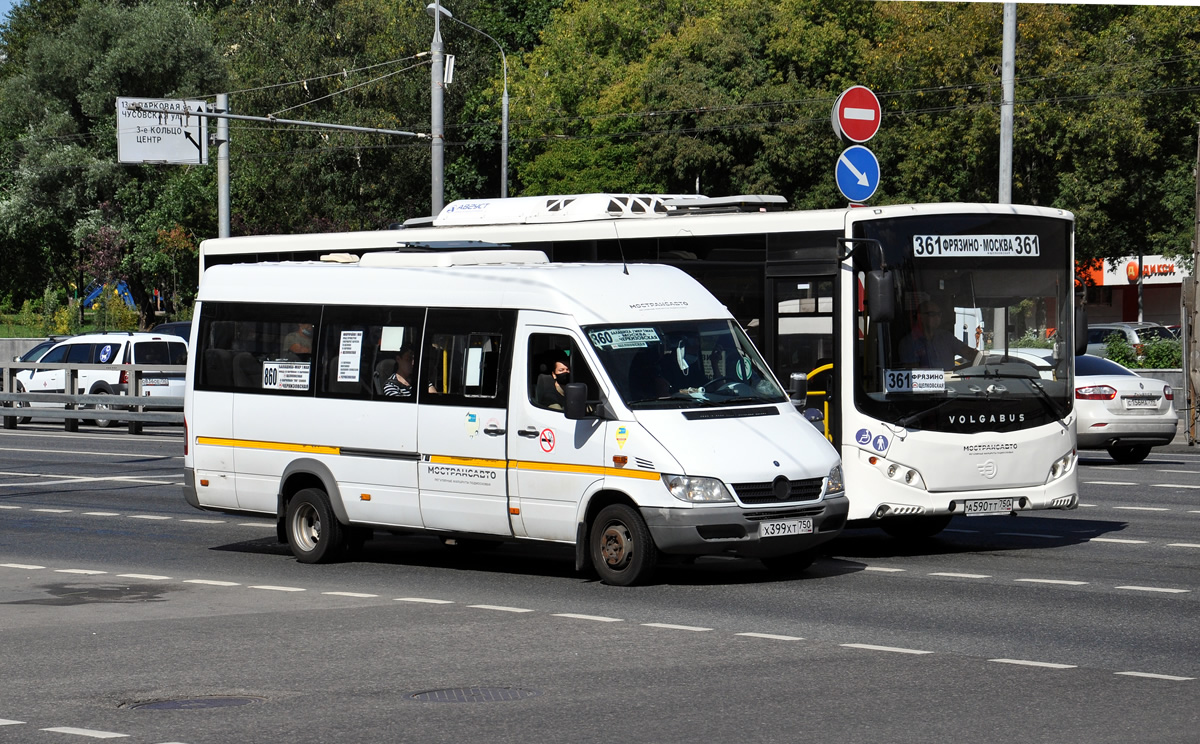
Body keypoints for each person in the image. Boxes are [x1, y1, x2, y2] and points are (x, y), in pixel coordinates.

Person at [899, 300, 977, 370]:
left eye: (939, 314)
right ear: (920, 317)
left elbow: (969, 353)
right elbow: (914, 375)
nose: (937, 318)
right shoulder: (909, 343)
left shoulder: (946, 337)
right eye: (932, 314)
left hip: (951, 384)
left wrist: (983, 356)